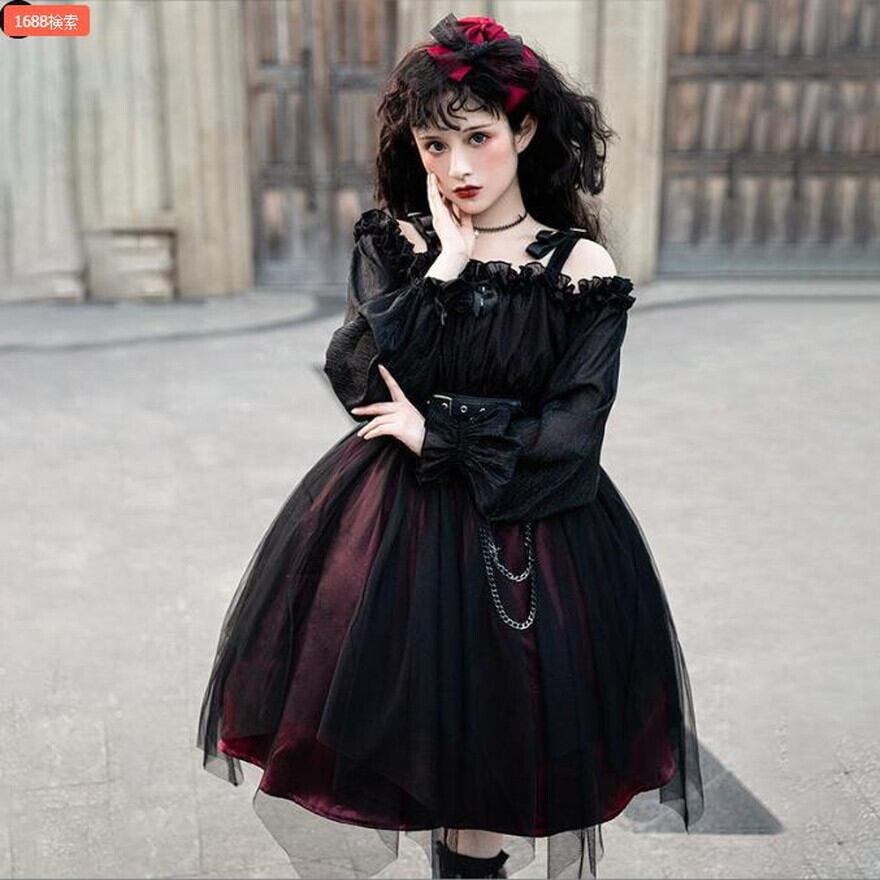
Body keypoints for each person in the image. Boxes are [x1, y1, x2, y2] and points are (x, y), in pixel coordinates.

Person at [197, 12, 704, 880]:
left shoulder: (578, 267)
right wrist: (446, 267)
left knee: (492, 766)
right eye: (436, 145)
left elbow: (572, 435)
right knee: (414, 739)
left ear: (524, 131)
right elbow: (360, 375)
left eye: (478, 137)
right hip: (395, 534)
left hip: (531, 531)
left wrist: (440, 432)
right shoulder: (400, 243)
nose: (458, 166)